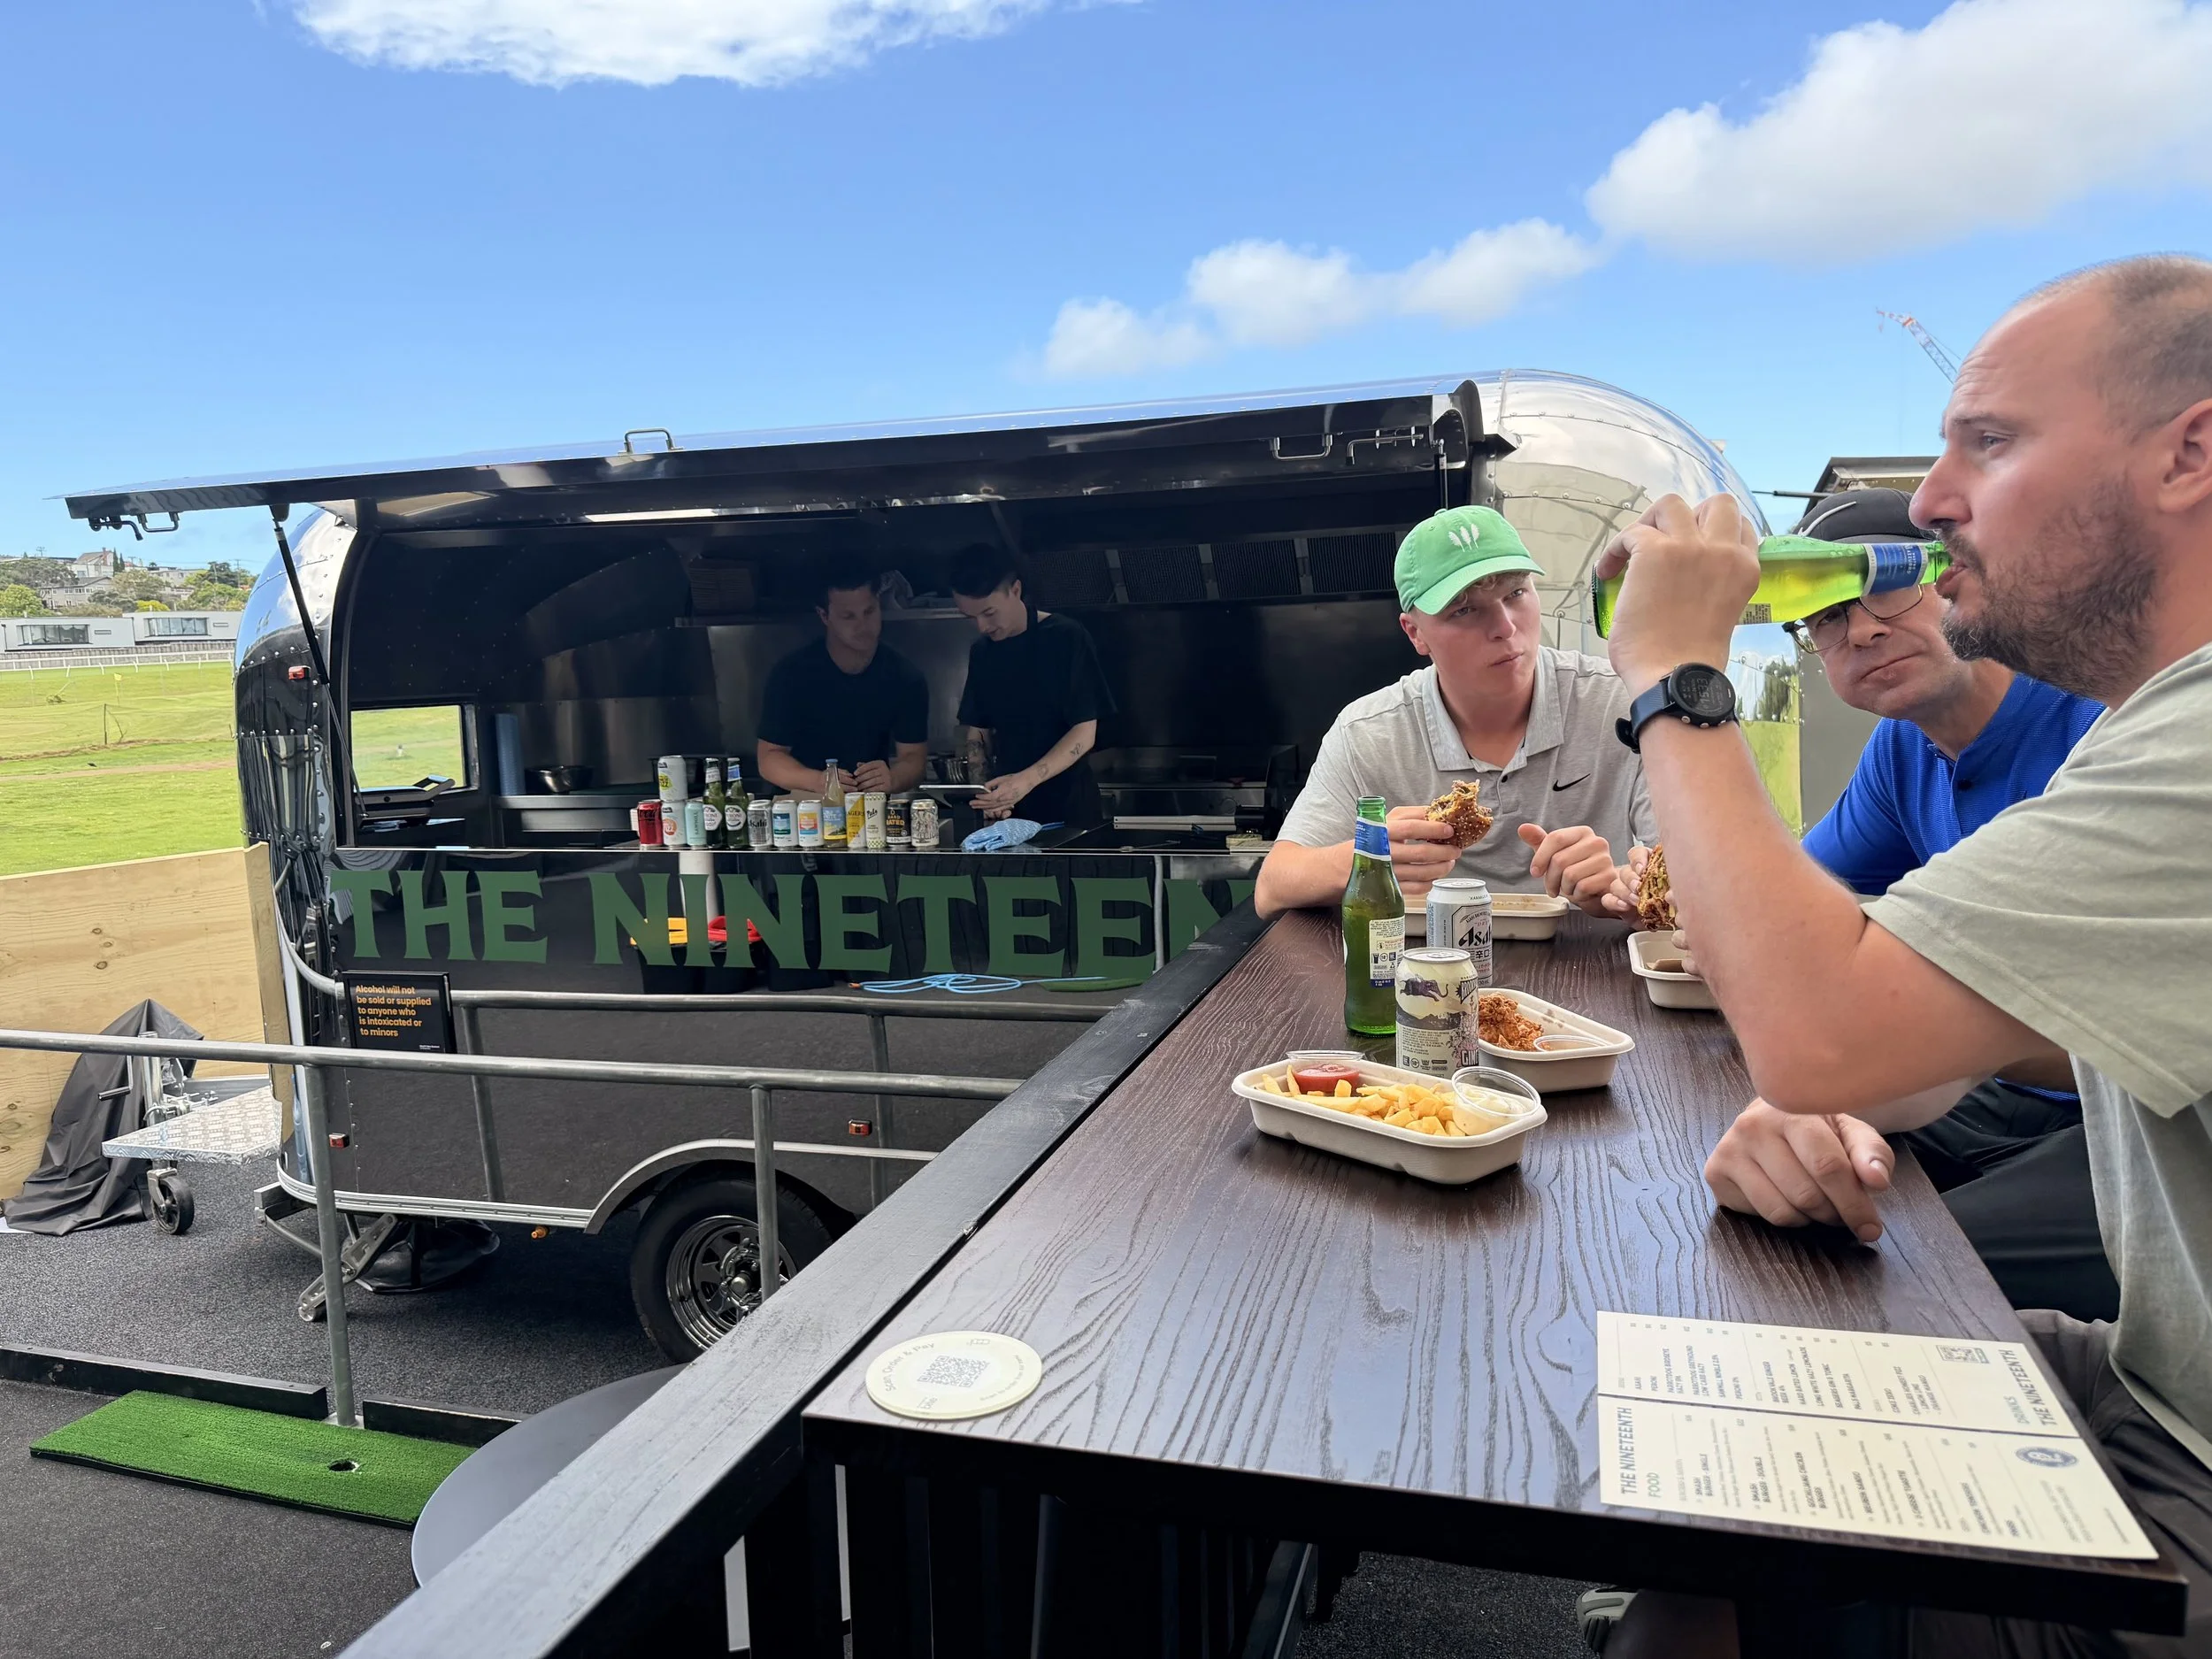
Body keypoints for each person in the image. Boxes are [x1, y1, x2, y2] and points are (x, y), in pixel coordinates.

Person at [1591, 256, 2212, 1658]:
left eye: (1987, 441)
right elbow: (1896, 1017)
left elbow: (1821, 1021)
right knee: (1736, 1385)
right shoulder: (2144, 722)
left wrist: (1677, 681)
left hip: (2199, 1466)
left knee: (1763, 1437)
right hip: (2153, 1375)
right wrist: (1843, 1101)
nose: (1931, 503)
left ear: (2192, 452)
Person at [1616, 486, 2116, 1323]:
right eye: (1825, 614)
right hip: (1989, 1089)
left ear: (1953, 577)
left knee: (1902, 1279)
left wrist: (1677, 677)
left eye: (1885, 584)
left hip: (2134, 1126)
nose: (1861, 630)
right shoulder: (1903, 749)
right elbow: (1785, 920)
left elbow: (2104, 1028)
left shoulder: (2096, 725)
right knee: (1764, 1210)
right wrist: (1674, 888)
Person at [1255, 503, 1653, 919]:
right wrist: (1367, 860)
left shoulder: (1622, 703)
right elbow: (1273, 887)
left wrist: (1617, 893)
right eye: (1464, 609)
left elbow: (1683, 886)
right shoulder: (1369, 733)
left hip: (1589, 956)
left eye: (1516, 593)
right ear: (1415, 633)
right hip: (1424, 956)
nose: (1505, 627)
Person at [949, 546, 1117, 827]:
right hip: (1010, 813)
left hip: (1069, 810)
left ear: (1015, 590)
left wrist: (1025, 781)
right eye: (971, 618)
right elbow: (977, 731)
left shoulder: (1066, 637)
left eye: (989, 613)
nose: (982, 627)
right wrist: (985, 795)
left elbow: (1085, 732)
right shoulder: (982, 652)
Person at [755, 555, 929, 799]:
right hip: (803, 804)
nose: (863, 625)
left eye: (869, 611)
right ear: (824, 616)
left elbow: (914, 758)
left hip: (870, 805)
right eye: (849, 616)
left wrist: (894, 778)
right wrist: (819, 781)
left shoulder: (904, 677)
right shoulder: (791, 675)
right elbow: (769, 758)